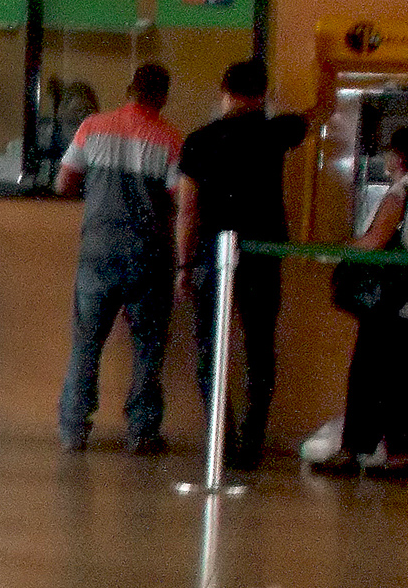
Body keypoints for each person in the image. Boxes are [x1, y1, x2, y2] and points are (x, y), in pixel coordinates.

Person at [175, 60, 312, 469]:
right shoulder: (275, 132)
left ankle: (222, 436)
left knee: (210, 347)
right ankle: (253, 439)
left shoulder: (199, 140)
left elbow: (187, 210)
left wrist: (183, 266)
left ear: (224, 90)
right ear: (262, 95)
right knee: (260, 346)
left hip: (212, 253)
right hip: (262, 254)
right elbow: (316, 113)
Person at [56, 64, 182, 454]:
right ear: (163, 97)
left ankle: (74, 428)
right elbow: (180, 197)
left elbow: (64, 183)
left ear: (130, 89)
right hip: (149, 255)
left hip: (97, 251)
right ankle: (142, 432)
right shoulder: (170, 139)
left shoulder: (92, 127)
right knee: (147, 346)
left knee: (87, 342)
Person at [314, 126, 408, 479]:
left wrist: (336, 249)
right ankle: (399, 456)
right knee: (404, 386)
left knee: (367, 380)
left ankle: (352, 451)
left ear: (399, 157)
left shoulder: (400, 191)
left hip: (390, 306)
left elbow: (376, 240)